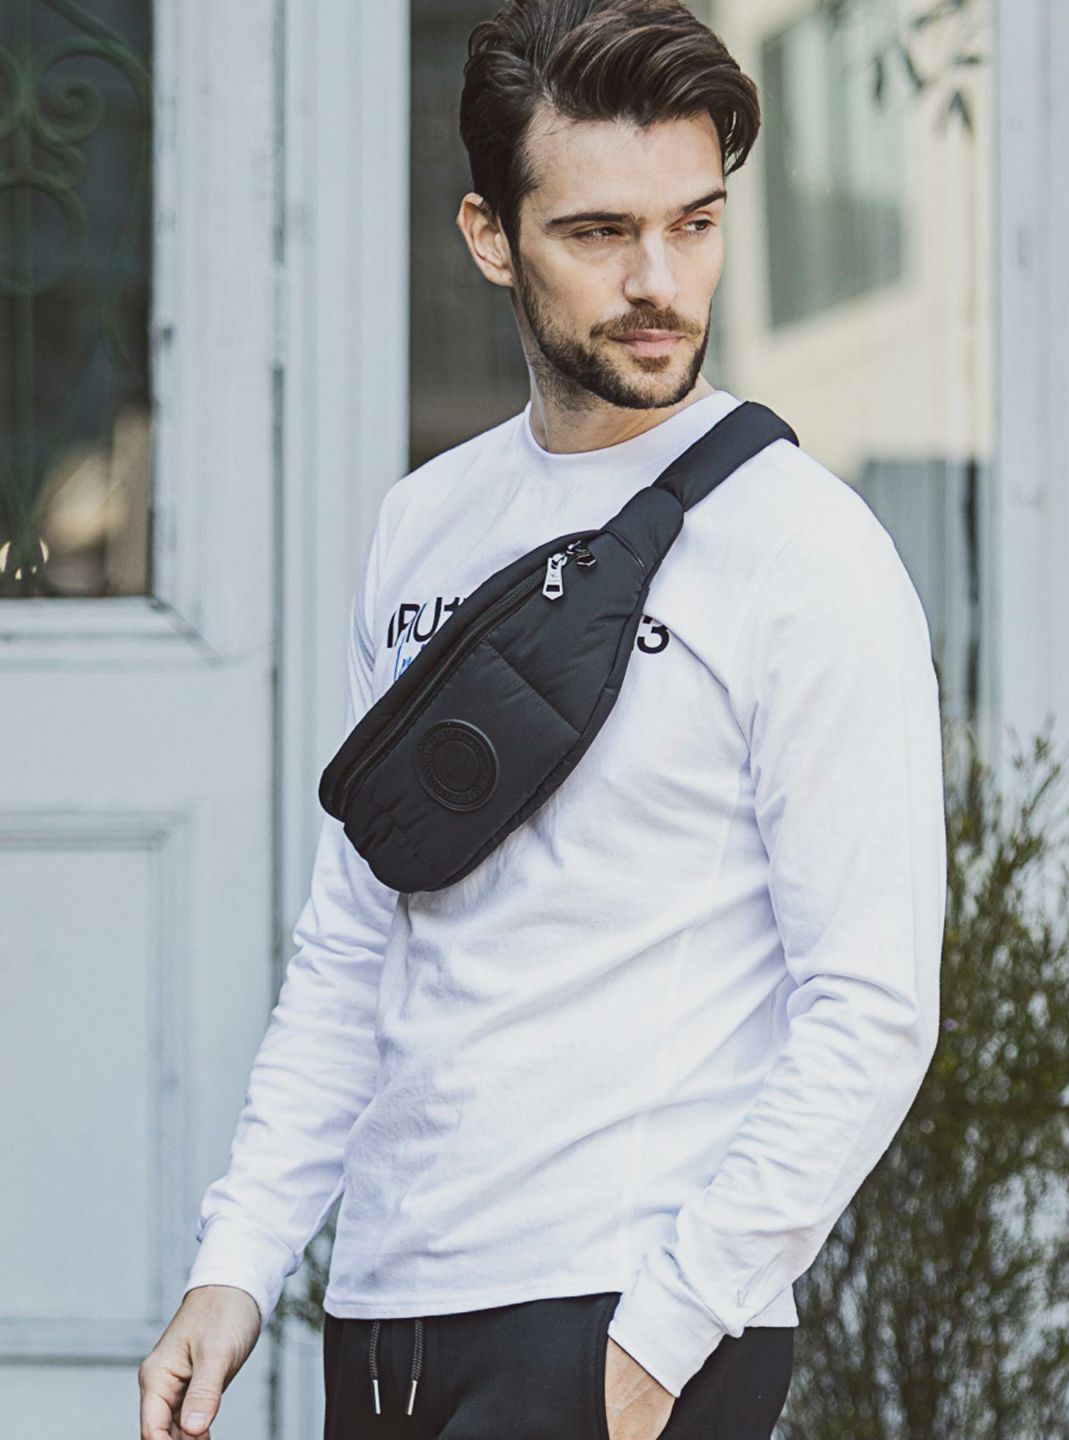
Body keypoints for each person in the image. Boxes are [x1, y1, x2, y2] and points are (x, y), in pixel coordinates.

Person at [138, 2, 948, 1437]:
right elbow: (357, 935)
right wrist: (240, 1260)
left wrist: (672, 1328)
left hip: (619, 1315)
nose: (659, 281)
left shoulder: (806, 554)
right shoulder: (424, 523)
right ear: (491, 236)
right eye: (598, 233)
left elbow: (872, 1006)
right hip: (388, 1314)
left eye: (695, 224)